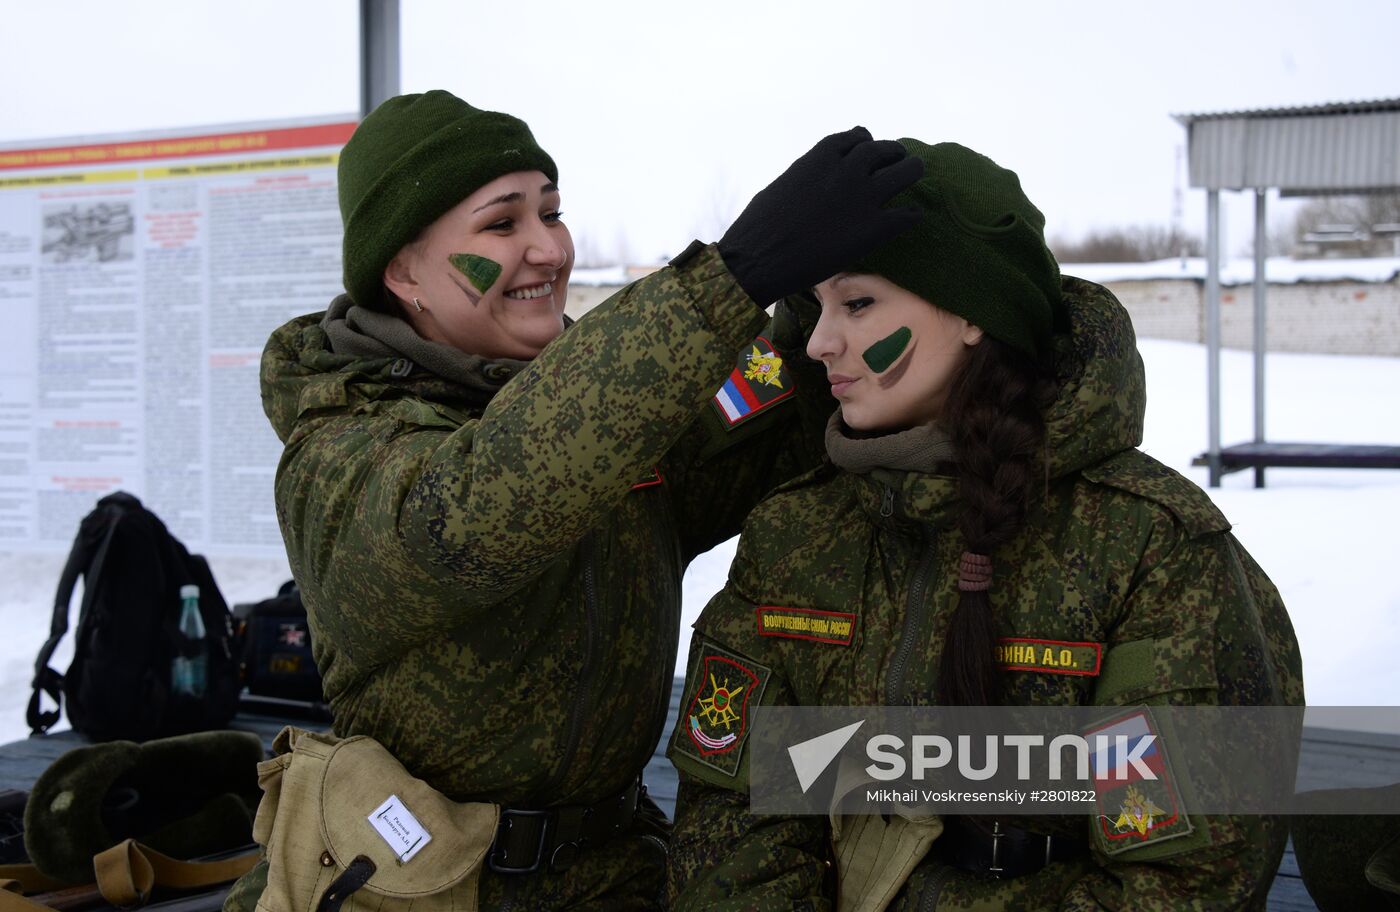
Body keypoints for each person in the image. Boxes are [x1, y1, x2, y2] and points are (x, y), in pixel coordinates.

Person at [224, 90, 925, 912]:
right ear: (403, 269)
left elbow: (775, 421)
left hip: (610, 875)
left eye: (551, 215)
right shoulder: (342, 448)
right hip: (411, 888)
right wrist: (732, 277)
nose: (547, 250)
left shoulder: (606, 421)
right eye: (501, 224)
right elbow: (474, 513)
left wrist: (824, 290)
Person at [665, 140, 1304, 910]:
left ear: (972, 311)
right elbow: (727, 819)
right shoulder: (793, 533)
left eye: (858, 304)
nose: (817, 342)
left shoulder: (1146, 549)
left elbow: (1184, 881)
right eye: (819, 307)